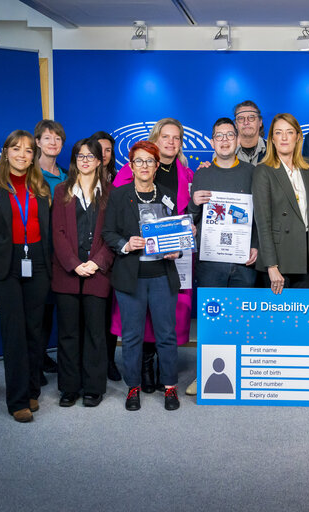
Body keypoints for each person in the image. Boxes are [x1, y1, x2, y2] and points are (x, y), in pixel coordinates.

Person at [0, 130, 52, 423]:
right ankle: (17, 399)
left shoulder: (41, 187)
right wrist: (3, 254)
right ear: (5, 152)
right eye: (16, 149)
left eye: (29, 150)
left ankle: (33, 390)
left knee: (35, 331)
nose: (23, 154)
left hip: (38, 263)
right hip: (6, 266)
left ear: (34, 156)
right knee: (14, 333)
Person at [113, 118, 194, 392]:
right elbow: (114, 224)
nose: (171, 142)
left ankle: (167, 380)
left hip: (167, 266)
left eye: (177, 138)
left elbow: (182, 219)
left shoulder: (182, 177)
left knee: (165, 327)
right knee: (135, 330)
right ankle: (139, 378)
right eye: (166, 137)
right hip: (134, 267)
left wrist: (180, 240)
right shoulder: (126, 181)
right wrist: (128, 243)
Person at [102, 141, 182, 411]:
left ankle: (170, 386)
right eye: (139, 161)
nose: (145, 166)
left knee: (166, 335)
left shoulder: (168, 195)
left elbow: (178, 236)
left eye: (150, 161)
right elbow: (108, 233)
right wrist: (126, 244)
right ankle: (132, 386)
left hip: (162, 275)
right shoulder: (119, 194)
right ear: (131, 166)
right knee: (132, 335)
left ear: (157, 166)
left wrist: (176, 252)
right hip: (130, 277)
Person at [184, 118, 259, 395]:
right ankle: (205, 373)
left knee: (240, 319)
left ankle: (241, 375)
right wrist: (194, 203)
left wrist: (256, 246)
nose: (225, 140)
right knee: (211, 320)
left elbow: (261, 216)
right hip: (210, 260)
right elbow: (192, 218)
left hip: (243, 260)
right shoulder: (201, 174)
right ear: (212, 141)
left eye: (230, 135)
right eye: (219, 136)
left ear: (238, 140)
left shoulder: (253, 172)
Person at [51, 139, 115, 408]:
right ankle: (68, 387)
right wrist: (74, 263)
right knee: (68, 333)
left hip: (98, 273)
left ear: (101, 161)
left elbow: (113, 234)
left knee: (95, 333)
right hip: (67, 272)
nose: (85, 160)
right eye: (80, 156)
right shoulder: (61, 190)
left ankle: (93, 387)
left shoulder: (111, 193)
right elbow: (58, 233)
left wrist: (96, 263)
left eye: (91, 156)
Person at [253, 113, 309, 291]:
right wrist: (271, 266)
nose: (284, 138)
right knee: (278, 317)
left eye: (289, 132)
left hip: (308, 257)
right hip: (279, 259)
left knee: (304, 315)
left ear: (298, 137)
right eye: (278, 133)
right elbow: (263, 223)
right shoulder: (263, 171)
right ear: (272, 139)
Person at [34, 119, 67, 377]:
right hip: (39, 254)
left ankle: (45, 356)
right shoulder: (30, 176)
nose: (53, 143)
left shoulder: (67, 176)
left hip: (64, 255)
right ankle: (36, 359)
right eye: (47, 138)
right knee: (39, 310)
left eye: (57, 139)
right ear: (37, 143)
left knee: (57, 309)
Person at [89, 130, 121, 381]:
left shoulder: (120, 179)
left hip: (113, 257)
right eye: (98, 149)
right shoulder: (79, 180)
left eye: (108, 149)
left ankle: (110, 361)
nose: (103, 154)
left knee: (110, 313)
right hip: (86, 259)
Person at [233, 100, 267, 165]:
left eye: (251, 117)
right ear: (236, 124)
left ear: (260, 122)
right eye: (241, 118)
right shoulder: (225, 153)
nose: (246, 122)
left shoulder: (274, 151)